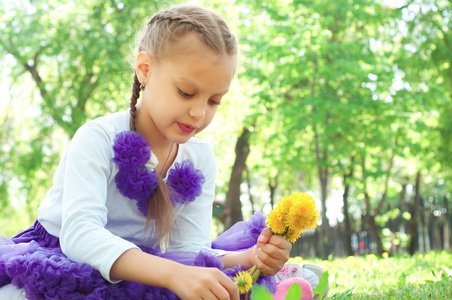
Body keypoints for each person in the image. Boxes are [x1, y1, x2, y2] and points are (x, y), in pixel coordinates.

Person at [0, 4, 292, 299]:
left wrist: (250, 257)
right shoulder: (97, 138)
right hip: (61, 258)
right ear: (145, 70)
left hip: (144, 267)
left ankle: (291, 278)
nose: (199, 113)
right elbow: (80, 235)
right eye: (186, 93)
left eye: (215, 100)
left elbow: (186, 253)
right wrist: (173, 274)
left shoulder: (200, 158)